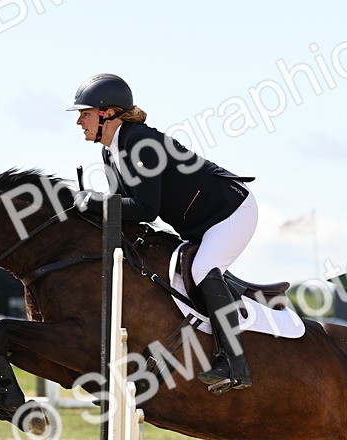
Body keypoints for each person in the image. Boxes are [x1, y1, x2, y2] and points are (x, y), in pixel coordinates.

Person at [68, 73, 257, 394]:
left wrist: (94, 202)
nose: (79, 122)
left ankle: (235, 363)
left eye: (84, 114)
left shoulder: (140, 142)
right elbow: (123, 212)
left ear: (107, 114)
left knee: (201, 270)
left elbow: (144, 209)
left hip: (232, 211)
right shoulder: (111, 150)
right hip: (200, 223)